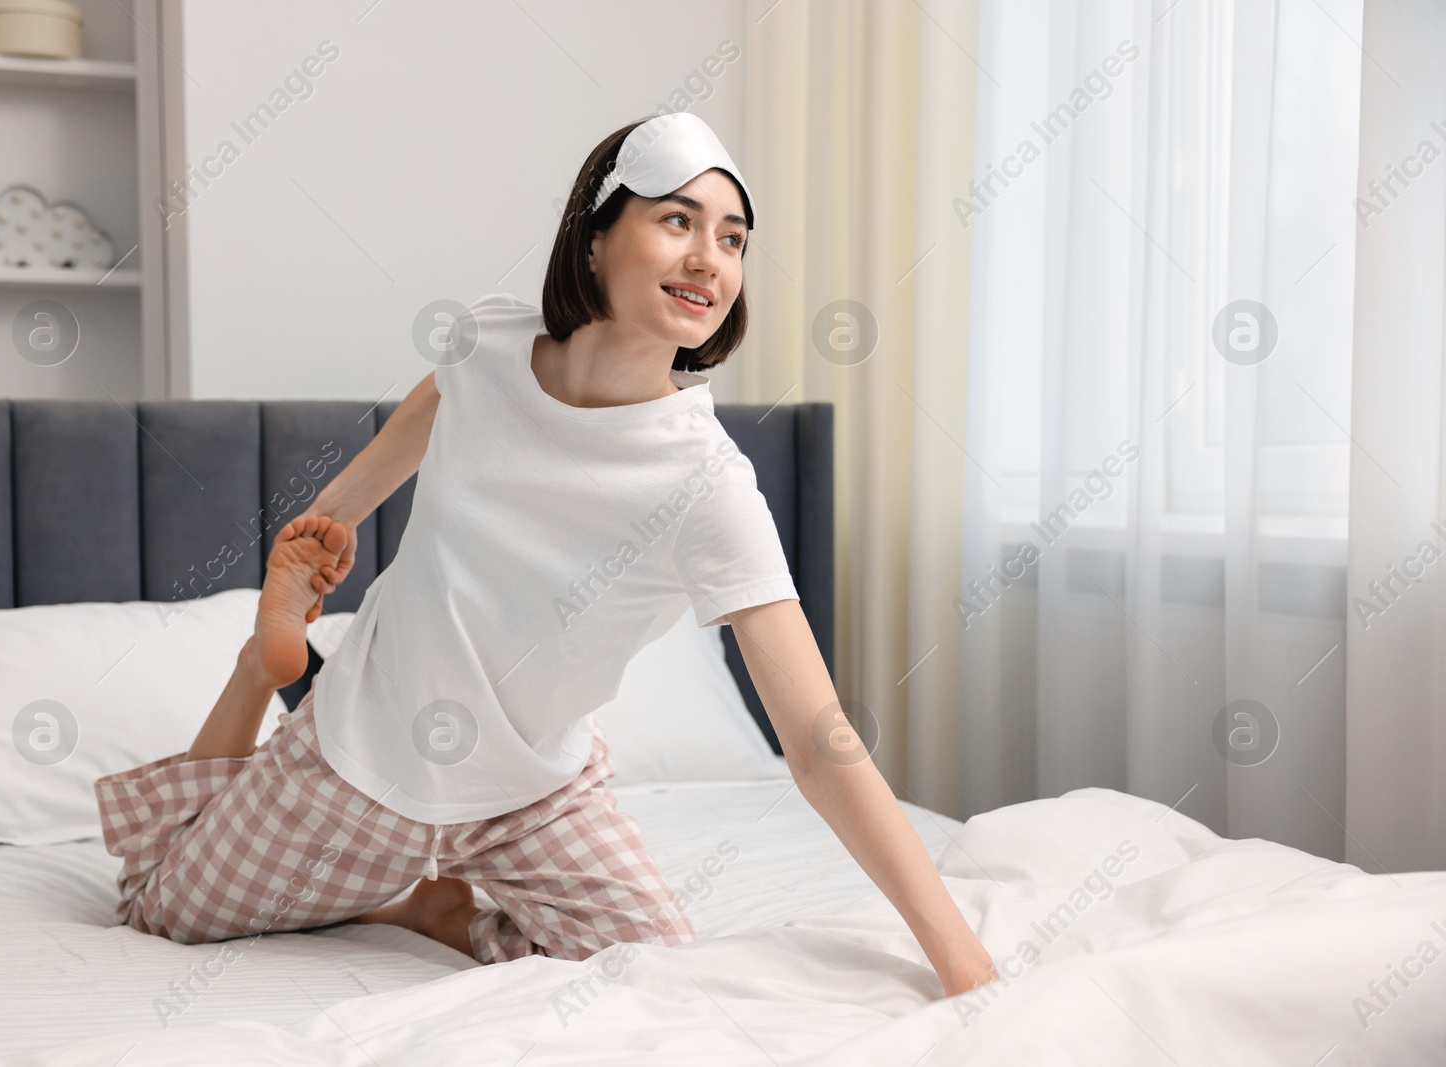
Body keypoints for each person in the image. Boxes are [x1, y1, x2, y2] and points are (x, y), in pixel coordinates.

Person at [94, 112, 999, 997]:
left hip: (535, 793)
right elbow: (432, 404)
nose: (708, 259)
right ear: (596, 238)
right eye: (676, 220)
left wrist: (964, 962)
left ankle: (433, 911)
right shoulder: (489, 338)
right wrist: (324, 527)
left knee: (657, 980)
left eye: (732, 239)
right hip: (362, 756)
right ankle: (262, 669)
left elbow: (815, 740)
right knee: (158, 911)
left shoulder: (706, 482)